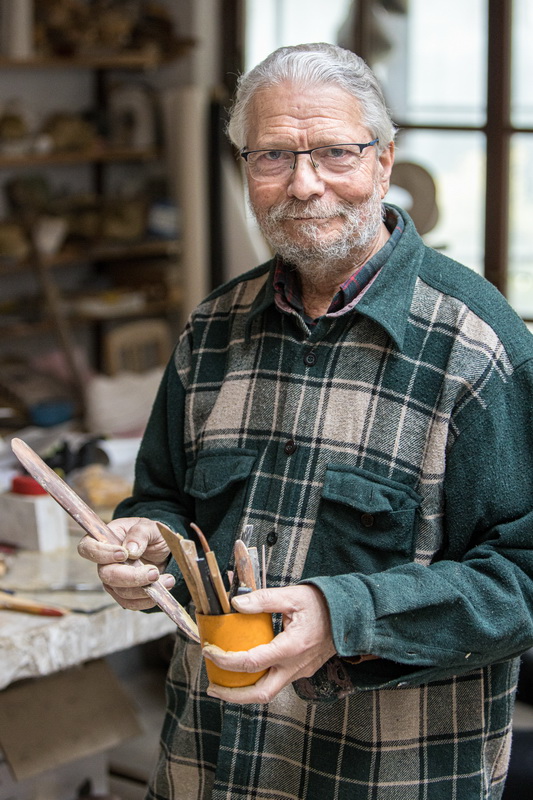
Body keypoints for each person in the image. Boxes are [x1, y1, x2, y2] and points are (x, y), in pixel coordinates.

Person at [78, 42, 533, 799]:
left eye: (334, 152)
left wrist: (341, 616)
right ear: (245, 169)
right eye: (273, 156)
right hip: (207, 763)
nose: (304, 183)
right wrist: (150, 542)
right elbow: (164, 501)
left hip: (385, 776)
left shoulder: (476, 346)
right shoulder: (211, 330)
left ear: (384, 161)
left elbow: (521, 578)